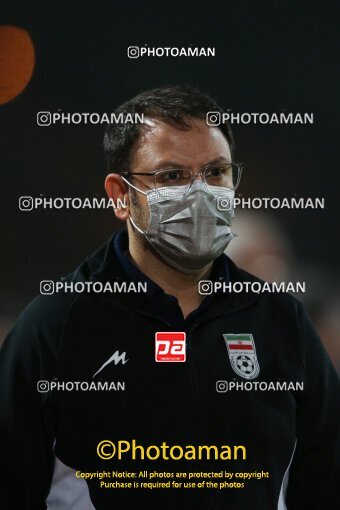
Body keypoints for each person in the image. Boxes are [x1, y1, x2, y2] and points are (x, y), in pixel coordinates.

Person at [0, 84, 339, 509]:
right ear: (121, 195)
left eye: (216, 172)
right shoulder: (56, 326)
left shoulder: (279, 320)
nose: (200, 193)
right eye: (172, 176)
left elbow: (324, 482)